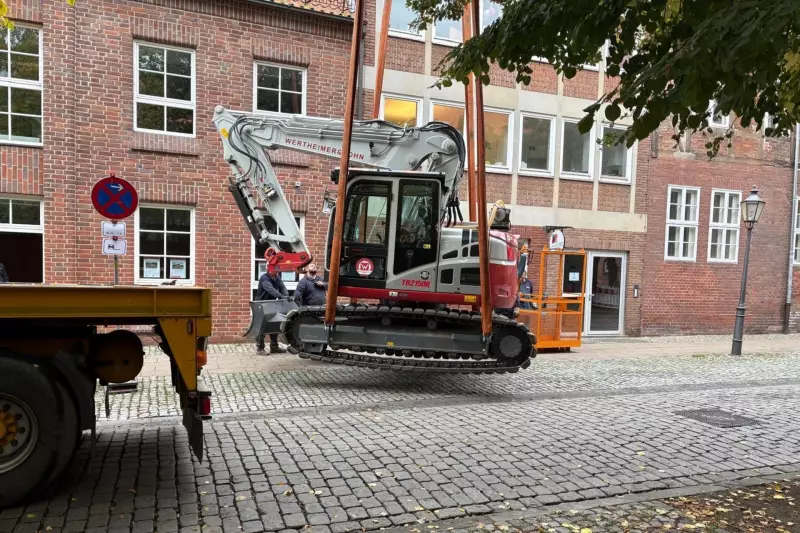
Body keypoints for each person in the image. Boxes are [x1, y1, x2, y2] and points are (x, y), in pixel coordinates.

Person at [255, 270, 288, 355]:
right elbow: (271, 289)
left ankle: (274, 347)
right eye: (275, 270)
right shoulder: (264, 278)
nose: (277, 271)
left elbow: (282, 287)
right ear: (269, 270)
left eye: (278, 270)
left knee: (274, 324)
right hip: (262, 304)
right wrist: (281, 296)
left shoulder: (277, 277)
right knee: (261, 326)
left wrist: (286, 296)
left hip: (272, 304)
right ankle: (260, 348)